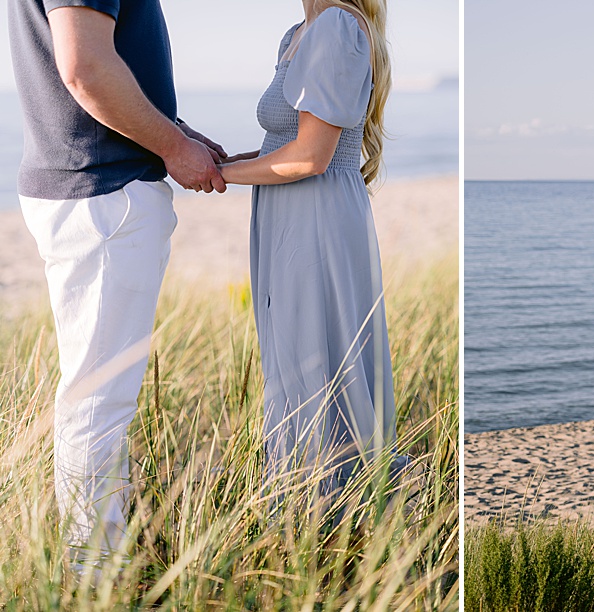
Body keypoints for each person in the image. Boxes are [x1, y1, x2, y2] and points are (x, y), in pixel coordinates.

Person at [9, 0, 226, 572]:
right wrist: (175, 148)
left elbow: (102, 62)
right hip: (103, 189)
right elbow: (85, 68)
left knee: (95, 395)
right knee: (98, 401)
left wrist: (176, 131)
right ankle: (93, 577)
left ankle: (94, 566)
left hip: (89, 183)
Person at [216, 0, 399, 498]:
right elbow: (288, 141)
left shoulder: (338, 26)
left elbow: (313, 155)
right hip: (284, 210)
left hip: (315, 212)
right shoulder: (298, 32)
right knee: (293, 350)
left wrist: (217, 175)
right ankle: (303, 496)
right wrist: (229, 158)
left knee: (316, 350)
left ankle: (329, 502)